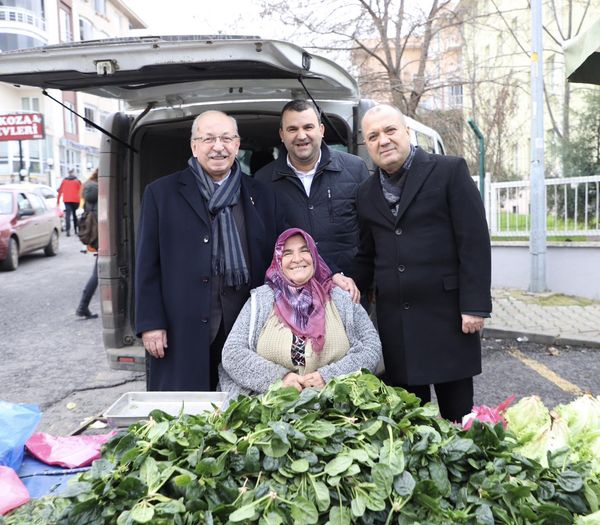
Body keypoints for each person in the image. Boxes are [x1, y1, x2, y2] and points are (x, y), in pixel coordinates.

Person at [352, 104, 492, 422]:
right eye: (373, 136)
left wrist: (475, 306)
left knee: (458, 418)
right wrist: (348, 287)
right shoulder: (364, 193)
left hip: (448, 318)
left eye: (390, 131)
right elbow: (366, 254)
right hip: (396, 322)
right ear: (367, 145)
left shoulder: (449, 171)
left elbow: (474, 242)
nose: (383, 141)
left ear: (407, 133)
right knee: (409, 421)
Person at [135, 110, 283, 392]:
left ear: (237, 145)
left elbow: (279, 260)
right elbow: (147, 263)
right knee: (184, 416)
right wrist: (151, 323)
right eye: (209, 139)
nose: (218, 146)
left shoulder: (262, 195)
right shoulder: (161, 194)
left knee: (243, 416)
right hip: (182, 326)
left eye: (227, 138)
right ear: (194, 146)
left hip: (246, 327)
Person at [218, 228, 382, 400]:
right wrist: (280, 379)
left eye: (305, 251)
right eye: (287, 253)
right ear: (278, 261)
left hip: (334, 409)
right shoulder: (260, 300)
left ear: (315, 257)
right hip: (270, 410)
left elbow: (371, 347)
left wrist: (329, 377)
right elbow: (232, 353)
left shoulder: (340, 297)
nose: (297, 259)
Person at [254, 99, 369, 300]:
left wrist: (366, 283)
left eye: (308, 127)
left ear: (321, 130)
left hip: (349, 294)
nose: (301, 136)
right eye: (292, 129)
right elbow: (264, 245)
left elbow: (371, 235)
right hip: (292, 301)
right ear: (282, 135)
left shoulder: (355, 169)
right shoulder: (263, 181)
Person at [76, 169, 99, 320]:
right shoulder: (99, 190)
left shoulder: (87, 189)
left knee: (98, 272)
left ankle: (83, 306)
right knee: (97, 273)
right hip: (103, 235)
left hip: (95, 235)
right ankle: (82, 306)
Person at [56, 169, 82, 236]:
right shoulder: (77, 181)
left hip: (67, 200)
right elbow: (81, 191)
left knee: (68, 215)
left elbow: (60, 191)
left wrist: (58, 202)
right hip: (76, 200)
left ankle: (68, 231)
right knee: (74, 214)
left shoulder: (64, 181)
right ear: (73, 173)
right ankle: (76, 230)